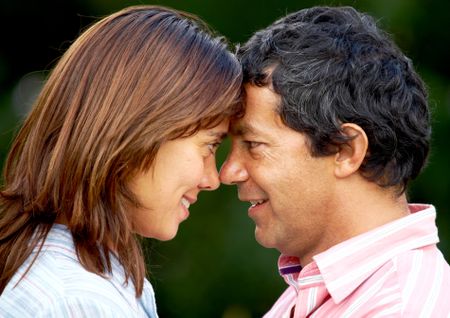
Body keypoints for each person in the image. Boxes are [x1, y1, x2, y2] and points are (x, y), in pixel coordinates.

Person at [0, 5, 241, 317]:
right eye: (209, 146)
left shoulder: (58, 271)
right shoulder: (82, 301)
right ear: (141, 129)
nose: (212, 178)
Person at [220, 6, 450, 317]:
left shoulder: (398, 307)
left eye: (253, 144)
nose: (228, 172)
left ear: (346, 150)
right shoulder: (314, 293)